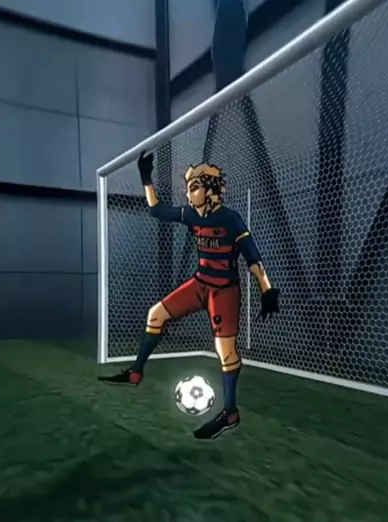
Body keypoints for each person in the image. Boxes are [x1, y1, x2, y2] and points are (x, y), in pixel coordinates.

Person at [99, 152, 280, 439]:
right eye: (188, 188)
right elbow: (156, 210)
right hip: (199, 284)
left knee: (226, 352)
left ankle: (230, 413)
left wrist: (266, 289)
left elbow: (253, 258)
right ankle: (135, 373)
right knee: (155, 315)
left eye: (194, 187)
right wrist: (146, 178)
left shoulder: (230, 219)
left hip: (224, 291)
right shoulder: (190, 214)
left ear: (211, 190)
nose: (188, 193)